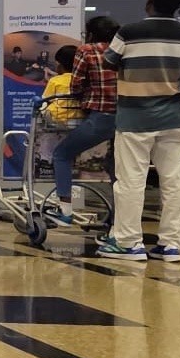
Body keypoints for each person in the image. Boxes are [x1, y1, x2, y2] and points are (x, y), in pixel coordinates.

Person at [97, 0, 180, 262]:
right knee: (173, 180)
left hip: (135, 118)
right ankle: (170, 244)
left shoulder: (129, 32)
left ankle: (128, 243)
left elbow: (109, 61)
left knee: (130, 181)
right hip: (174, 117)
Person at [51, 16, 120, 225]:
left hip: (101, 116)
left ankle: (65, 210)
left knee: (62, 154)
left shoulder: (87, 50)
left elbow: (76, 85)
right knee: (116, 166)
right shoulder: (123, 49)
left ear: (90, 33)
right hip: (127, 117)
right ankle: (120, 218)